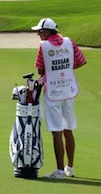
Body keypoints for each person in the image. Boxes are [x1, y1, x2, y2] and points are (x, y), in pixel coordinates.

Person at [31, 18, 86, 179]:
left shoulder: (43, 46)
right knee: (68, 129)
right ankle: (70, 168)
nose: (38, 35)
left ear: (47, 31)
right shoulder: (70, 42)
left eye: (40, 31)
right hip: (69, 90)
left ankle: (60, 171)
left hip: (54, 92)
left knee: (56, 132)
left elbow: (41, 70)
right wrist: (67, 67)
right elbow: (81, 61)